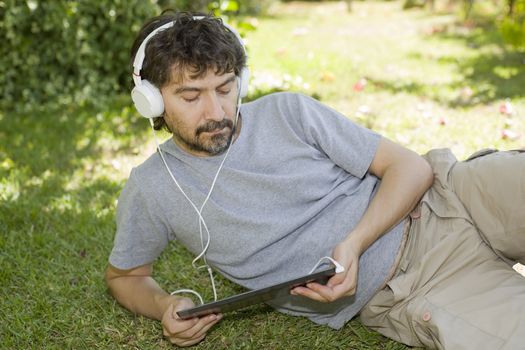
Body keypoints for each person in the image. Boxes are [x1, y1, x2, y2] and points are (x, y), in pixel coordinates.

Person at [105, 11, 525, 349]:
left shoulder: (288, 113)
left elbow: (412, 168)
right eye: (191, 96)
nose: (216, 111)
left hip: (455, 194)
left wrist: (355, 242)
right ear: (152, 101)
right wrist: (164, 306)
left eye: (226, 87)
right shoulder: (154, 187)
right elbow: (125, 277)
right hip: (416, 284)